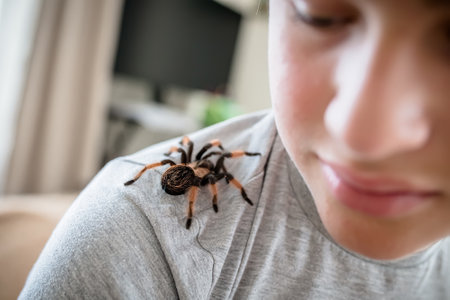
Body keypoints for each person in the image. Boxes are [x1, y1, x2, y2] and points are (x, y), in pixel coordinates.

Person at [20, 0, 450, 298]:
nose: (362, 135)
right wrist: (152, 184)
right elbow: (188, 170)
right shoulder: (139, 231)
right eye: (320, 13)